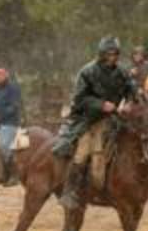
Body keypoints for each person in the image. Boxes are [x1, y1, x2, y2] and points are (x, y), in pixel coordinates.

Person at [53, 36, 136, 209]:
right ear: (102, 53)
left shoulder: (122, 72)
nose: (112, 57)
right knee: (82, 152)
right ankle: (70, 191)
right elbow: (79, 99)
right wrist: (100, 104)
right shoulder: (87, 72)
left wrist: (128, 103)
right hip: (89, 120)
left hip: (116, 118)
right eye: (109, 53)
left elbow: (131, 90)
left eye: (115, 53)